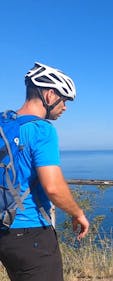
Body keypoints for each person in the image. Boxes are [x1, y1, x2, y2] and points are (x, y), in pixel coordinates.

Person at [0, 62, 90, 281]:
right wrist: (78, 214)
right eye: (64, 100)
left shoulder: (3, 122)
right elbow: (53, 187)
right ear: (50, 95)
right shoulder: (42, 130)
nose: (65, 107)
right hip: (31, 233)